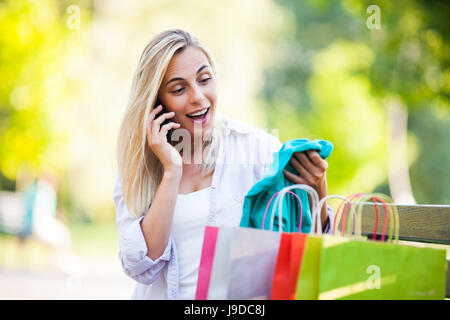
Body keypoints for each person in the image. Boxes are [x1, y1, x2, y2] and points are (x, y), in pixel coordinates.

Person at [113, 29, 333, 300]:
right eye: (179, 89)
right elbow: (139, 266)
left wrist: (319, 187)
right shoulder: (140, 166)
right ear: (157, 102)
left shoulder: (259, 150)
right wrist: (171, 171)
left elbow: (309, 247)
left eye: (205, 79)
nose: (198, 96)